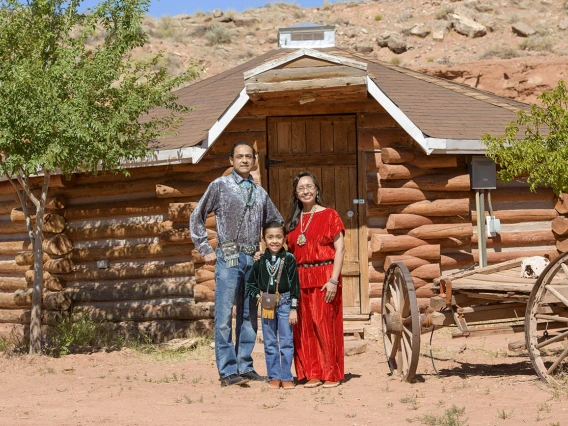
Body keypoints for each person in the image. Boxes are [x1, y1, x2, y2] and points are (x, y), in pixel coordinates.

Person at [190, 141, 283, 387]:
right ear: (231, 160)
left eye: (248, 157)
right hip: (228, 257)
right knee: (223, 315)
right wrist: (204, 248)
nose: (244, 160)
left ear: (254, 161)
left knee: (249, 315)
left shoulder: (260, 192)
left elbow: (275, 221)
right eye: (239, 156)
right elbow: (196, 216)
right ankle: (228, 370)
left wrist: (266, 248)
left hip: (252, 259)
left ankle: (245, 365)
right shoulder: (220, 186)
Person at [285, 172, 346, 389]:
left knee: (324, 325)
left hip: (324, 276)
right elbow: (286, 253)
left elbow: (340, 249)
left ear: (317, 189)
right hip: (300, 279)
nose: (306, 191)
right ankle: (311, 372)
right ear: (296, 193)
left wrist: (334, 280)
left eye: (309, 186)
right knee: (304, 328)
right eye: (301, 188)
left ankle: (330, 373)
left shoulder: (330, 215)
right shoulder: (293, 221)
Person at [246, 221, 300, 390]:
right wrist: (259, 297)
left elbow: (295, 287)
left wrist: (293, 309)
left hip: (285, 303)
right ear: (264, 239)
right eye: (270, 237)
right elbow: (251, 285)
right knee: (269, 342)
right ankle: (274, 376)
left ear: (284, 239)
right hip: (267, 304)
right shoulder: (260, 260)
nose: (274, 241)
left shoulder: (289, 259)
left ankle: (286, 376)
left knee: (286, 341)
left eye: (278, 237)